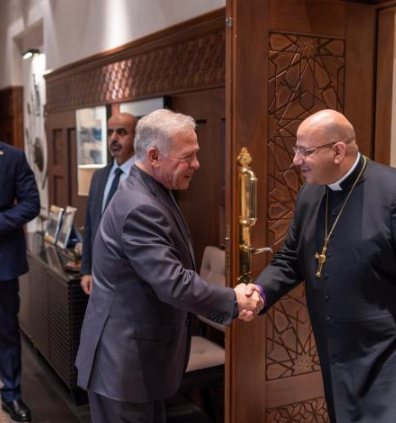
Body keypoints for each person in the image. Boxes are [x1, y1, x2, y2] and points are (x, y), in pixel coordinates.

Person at [248, 110, 396, 423]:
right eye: (296, 150)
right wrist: (260, 291)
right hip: (336, 348)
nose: (295, 160)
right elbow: (291, 257)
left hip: (389, 352)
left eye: (305, 151)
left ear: (338, 151)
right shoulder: (311, 193)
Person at [75, 110, 263, 423]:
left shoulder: (152, 189)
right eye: (187, 156)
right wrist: (234, 300)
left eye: (196, 154)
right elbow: (173, 283)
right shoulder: (139, 206)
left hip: (140, 361)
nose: (197, 164)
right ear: (154, 156)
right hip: (124, 366)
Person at [0, 141, 40, 422]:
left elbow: (31, 203)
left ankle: (11, 394)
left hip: (3, 260)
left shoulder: (13, 157)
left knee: (6, 330)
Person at [80, 113, 137, 295]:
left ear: (136, 137)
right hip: (98, 275)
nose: (114, 138)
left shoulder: (145, 177)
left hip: (132, 279)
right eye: (110, 132)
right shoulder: (99, 176)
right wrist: (86, 270)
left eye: (121, 132)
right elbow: (90, 226)